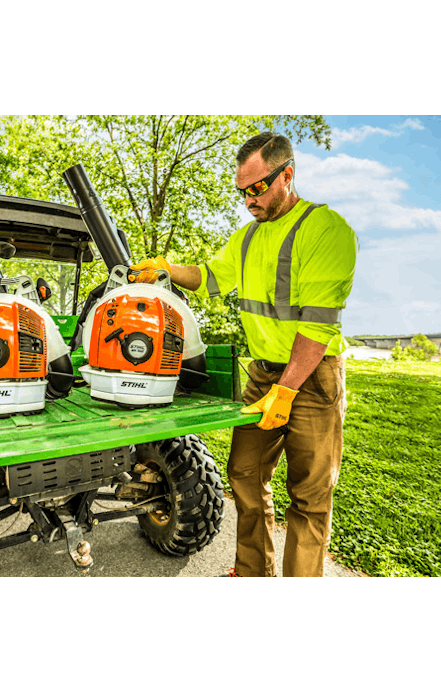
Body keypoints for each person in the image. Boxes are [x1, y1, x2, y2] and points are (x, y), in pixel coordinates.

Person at [129, 132, 358, 577]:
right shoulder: (247, 238)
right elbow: (212, 276)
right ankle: (252, 574)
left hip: (312, 377)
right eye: (242, 191)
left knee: (309, 496)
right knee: (245, 475)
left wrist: (287, 391)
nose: (248, 200)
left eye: (257, 188)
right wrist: (165, 268)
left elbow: (317, 324)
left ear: (286, 175)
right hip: (263, 375)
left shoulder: (327, 231)